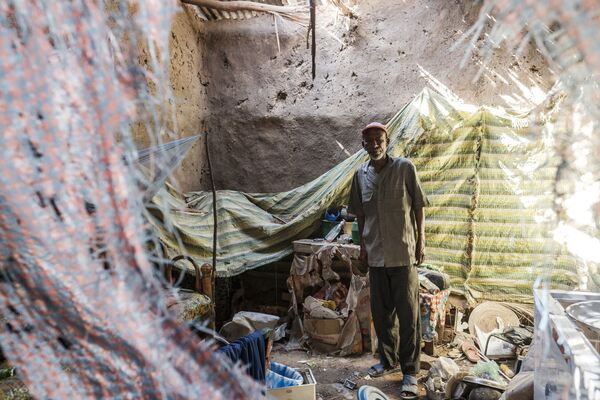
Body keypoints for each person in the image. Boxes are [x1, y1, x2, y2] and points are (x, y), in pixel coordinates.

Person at [348, 122, 429, 399]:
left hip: (403, 253)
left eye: (379, 139)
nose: (374, 145)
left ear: (387, 140)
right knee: (381, 315)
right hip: (376, 255)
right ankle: (387, 359)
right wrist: (362, 245)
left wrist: (421, 241)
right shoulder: (360, 175)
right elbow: (360, 214)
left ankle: (409, 371)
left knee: (408, 315)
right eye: (368, 141)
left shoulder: (405, 168)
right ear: (363, 145)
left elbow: (418, 206)